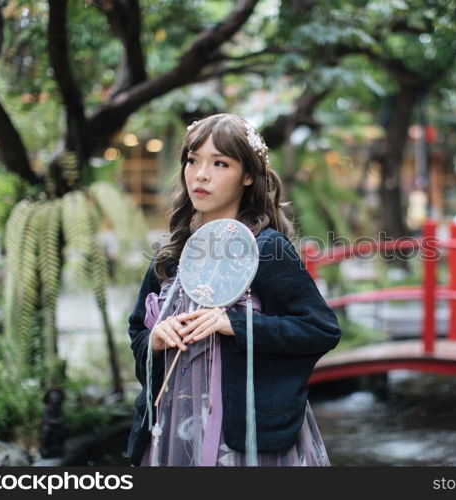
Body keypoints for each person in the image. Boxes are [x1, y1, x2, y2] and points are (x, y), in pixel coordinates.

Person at [126, 113, 342, 466]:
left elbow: (320, 329)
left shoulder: (265, 248)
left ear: (248, 176)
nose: (201, 174)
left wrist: (233, 324)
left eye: (220, 163)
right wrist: (155, 339)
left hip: (242, 440)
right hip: (172, 433)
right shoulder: (172, 252)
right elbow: (137, 330)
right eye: (192, 160)